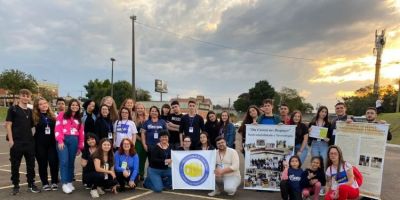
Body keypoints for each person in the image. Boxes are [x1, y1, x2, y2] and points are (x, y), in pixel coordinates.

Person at [6, 89, 40, 195]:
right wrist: (11, 140)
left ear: (30, 98)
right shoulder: (13, 109)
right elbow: (8, 125)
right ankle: (16, 185)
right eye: (23, 95)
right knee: (15, 165)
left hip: (29, 142)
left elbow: (32, 124)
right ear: (19, 96)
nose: (25, 97)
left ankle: (31, 184)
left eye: (27, 96)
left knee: (31, 165)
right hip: (17, 142)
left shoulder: (30, 112)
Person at [55, 99, 85, 194]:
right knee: (64, 161)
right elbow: (58, 128)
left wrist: (80, 146)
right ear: (69, 106)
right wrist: (60, 140)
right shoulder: (62, 115)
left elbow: (81, 134)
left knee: (71, 162)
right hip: (63, 140)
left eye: (77, 105)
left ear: (79, 107)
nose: (75, 106)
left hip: (74, 141)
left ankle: (69, 182)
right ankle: (64, 183)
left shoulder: (78, 119)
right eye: (73, 105)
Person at [33, 97, 59, 191]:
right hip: (39, 144)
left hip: (52, 144)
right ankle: (45, 183)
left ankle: (54, 181)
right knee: (42, 164)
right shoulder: (35, 116)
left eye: (45, 103)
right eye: (41, 104)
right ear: (37, 107)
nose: (44, 105)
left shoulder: (53, 116)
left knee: (53, 163)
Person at [133, 102, 148, 181]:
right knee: (137, 158)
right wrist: (141, 140)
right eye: (138, 108)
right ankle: (137, 174)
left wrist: (144, 141)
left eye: (141, 108)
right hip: (138, 141)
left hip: (146, 141)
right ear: (136, 109)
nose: (140, 110)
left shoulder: (148, 118)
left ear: (144, 109)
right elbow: (134, 132)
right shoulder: (133, 119)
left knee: (143, 158)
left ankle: (142, 174)